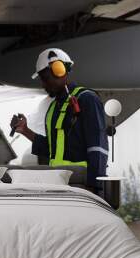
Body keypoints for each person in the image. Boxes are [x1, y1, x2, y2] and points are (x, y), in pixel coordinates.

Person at [10, 48, 108, 197]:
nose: (43, 84)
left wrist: (94, 187)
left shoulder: (87, 99)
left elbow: (98, 147)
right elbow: (51, 148)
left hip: (80, 182)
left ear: (59, 71)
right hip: (57, 182)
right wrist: (25, 130)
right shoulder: (53, 108)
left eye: (45, 78)